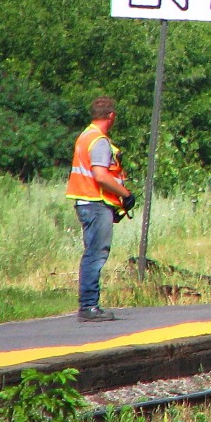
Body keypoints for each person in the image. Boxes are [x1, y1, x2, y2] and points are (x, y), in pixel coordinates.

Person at [65, 96, 134, 322]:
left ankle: (88, 305)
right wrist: (126, 195)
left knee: (92, 252)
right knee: (96, 254)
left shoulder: (85, 136)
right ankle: (88, 306)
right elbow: (101, 176)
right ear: (111, 116)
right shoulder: (99, 141)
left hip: (85, 201)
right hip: (95, 204)